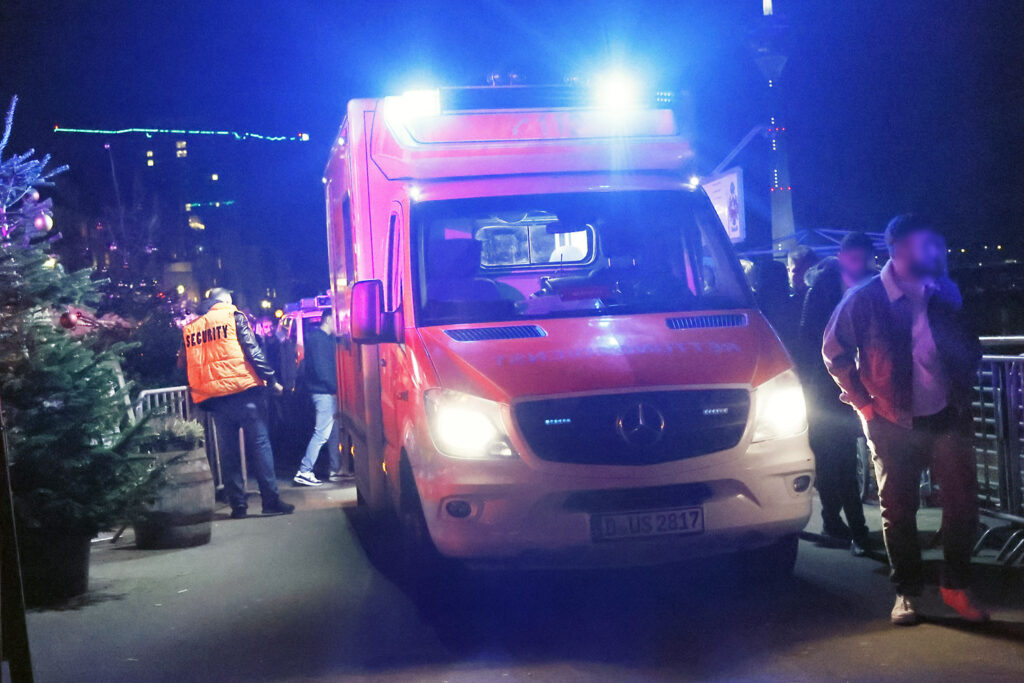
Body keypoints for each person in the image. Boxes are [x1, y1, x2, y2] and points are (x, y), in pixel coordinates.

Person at [823, 215, 984, 626]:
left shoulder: (943, 292)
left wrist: (964, 379)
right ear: (897, 249)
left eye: (933, 242)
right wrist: (864, 404)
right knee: (898, 507)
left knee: (963, 502)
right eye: (921, 244)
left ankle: (955, 585)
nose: (931, 250)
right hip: (891, 419)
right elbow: (833, 351)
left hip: (947, 414)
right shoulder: (865, 298)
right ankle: (907, 593)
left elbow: (969, 347)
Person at [182, 288, 294, 519]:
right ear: (225, 302)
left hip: (216, 400)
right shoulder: (234, 317)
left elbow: (188, 364)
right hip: (245, 394)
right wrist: (271, 379)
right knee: (260, 445)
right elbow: (252, 350)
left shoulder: (193, 328)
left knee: (229, 453)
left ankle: (238, 506)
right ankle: (270, 501)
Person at [799, 232, 877, 555]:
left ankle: (833, 520)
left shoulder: (840, 287)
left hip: (840, 385)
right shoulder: (826, 290)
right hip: (828, 387)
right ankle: (857, 531)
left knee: (834, 460)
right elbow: (811, 340)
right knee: (840, 459)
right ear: (844, 257)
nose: (861, 266)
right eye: (857, 259)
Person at [293, 312, 350, 486]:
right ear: (328, 320)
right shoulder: (320, 340)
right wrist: (334, 388)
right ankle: (305, 470)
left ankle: (335, 469)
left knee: (331, 432)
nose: (339, 325)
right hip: (323, 392)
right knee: (322, 433)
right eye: (337, 321)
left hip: (323, 391)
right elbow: (322, 368)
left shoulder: (319, 338)